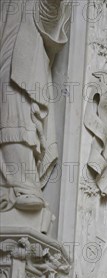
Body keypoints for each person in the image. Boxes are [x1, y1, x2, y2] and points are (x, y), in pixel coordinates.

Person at [0, 0, 70, 211]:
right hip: (5, 52)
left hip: (21, 65)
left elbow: (50, 16)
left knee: (16, 106)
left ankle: (22, 184)